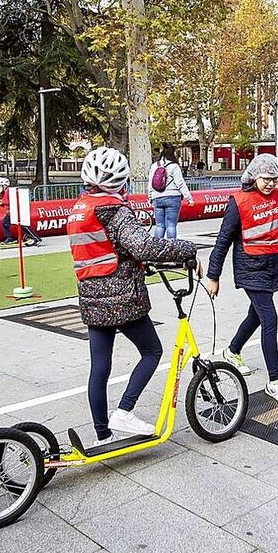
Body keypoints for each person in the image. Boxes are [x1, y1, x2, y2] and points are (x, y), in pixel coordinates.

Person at [69, 147, 198, 443]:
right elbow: (144, 247)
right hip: (122, 299)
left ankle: (102, 433)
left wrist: (136, 265)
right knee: (152, 351)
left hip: (91, 298)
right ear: (121, 181)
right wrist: (189, 250)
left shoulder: (80, 208)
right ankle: (124, 411)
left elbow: (106, 251)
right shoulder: (114, 210)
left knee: (100, 367)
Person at [206, 153, 278, 403]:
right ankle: (275, 380)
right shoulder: (238, 202)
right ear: (254, 176)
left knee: (256, 314)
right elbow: (222, 242)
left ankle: (232, 351)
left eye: (275, 179)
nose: (270, 184)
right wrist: (213, 276)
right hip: (249, 268)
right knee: (269, 318)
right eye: (266, 179)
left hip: (272, 267)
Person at [149, 143, 194, 240]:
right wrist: (189, 198)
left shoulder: (154, 166)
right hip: (173, 197)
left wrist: (150, 197)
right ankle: (171, 248)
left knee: (159, 225)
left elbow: (150, 183)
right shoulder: (174, 166)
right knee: (171, 225)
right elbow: (180, 184)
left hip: (157, 197)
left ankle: (156, 248)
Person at [0, 177, 16, 243]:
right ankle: (9, 237)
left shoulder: (7, 191)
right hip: (11, 211)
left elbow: (8, 202)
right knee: (6, 223)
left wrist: (1, 203)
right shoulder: (6, 191)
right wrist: (1, 204)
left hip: (12, 211)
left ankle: (9, 237)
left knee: (4, 223)